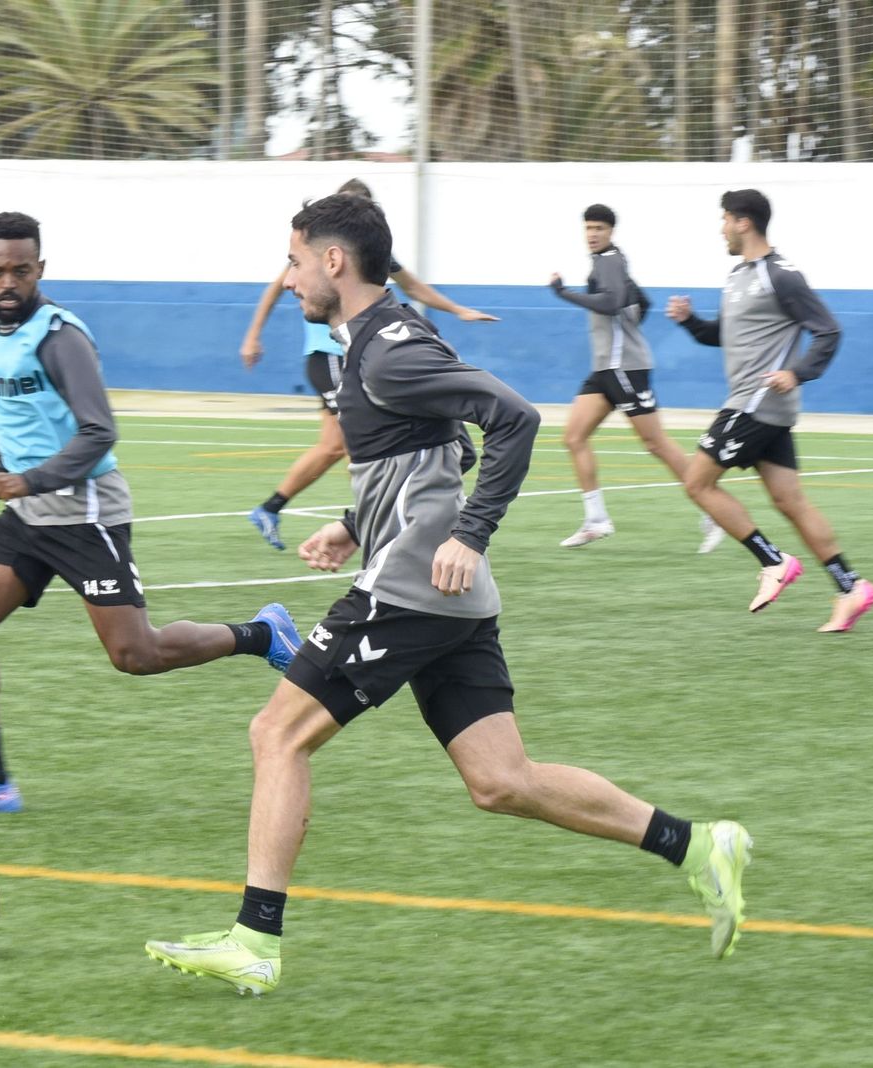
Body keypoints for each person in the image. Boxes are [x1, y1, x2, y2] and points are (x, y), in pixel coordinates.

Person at [145, 193, 751, 996]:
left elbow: (513, 422)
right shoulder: (386, 336)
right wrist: (355, 522)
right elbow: (440, 449)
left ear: (333, 261)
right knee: (502, 780)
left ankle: (255, 939)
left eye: (294, 261)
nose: (287, 280)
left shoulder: (385, 350)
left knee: (277, 734)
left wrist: (469, 534)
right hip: (442, 593)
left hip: (412, 590)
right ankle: (697, 844)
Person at [0, 211, 302, 815]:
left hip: (85, 510)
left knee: (135, 655)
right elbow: (16, 432)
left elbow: (99, 432)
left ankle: (260, 634)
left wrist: (28, 482)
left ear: (41, 268)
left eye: (21, 270)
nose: (8, 282)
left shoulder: (61, 336)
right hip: (26, 510)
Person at [239, 178, 499, 551]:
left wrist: (458, 309)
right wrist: (253, 335)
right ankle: (289, 509)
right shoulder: (312, 250)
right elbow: (276, 286)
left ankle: (355, 519)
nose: (292, 280)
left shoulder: (381, 283)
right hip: (329, 356)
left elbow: (415, 287)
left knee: (418, 445)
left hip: (360, 353)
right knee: (341, 445)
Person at [667, 189, 873, 632]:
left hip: (756, 402)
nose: (721, 227)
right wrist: (689, 321)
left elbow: (828, 331)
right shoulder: (736, 276)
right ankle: (851, 586)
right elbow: (723, 336)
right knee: (790, 500)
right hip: (758, 404)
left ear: (744, 222)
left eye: (725, 219)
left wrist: (797, 374)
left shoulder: (782, 276)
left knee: (697, 483)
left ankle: (773, 561)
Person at [550, 204, 723, 552]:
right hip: (605, 369)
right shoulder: (609, 262)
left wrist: (563, 293)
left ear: (611, 231)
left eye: (599, 227)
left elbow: (613, 302)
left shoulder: (610, 259)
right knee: (573, 437)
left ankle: (714, 512)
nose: (593, 234)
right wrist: (626, 328)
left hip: (624, 368)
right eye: (588, 228)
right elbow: (640, 301)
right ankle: (596, 520)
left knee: (656, 444)